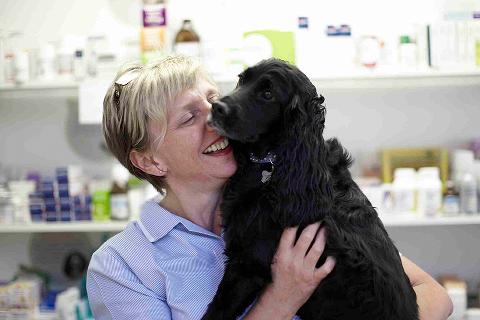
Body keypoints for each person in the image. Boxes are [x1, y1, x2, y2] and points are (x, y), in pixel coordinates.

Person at [87, 55, 453, 320]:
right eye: (189, 117)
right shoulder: (122, 266)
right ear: (150, 161)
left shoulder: (295, 200)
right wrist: (283, 298)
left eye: (214, 100)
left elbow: (432, 296)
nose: (217, 117)